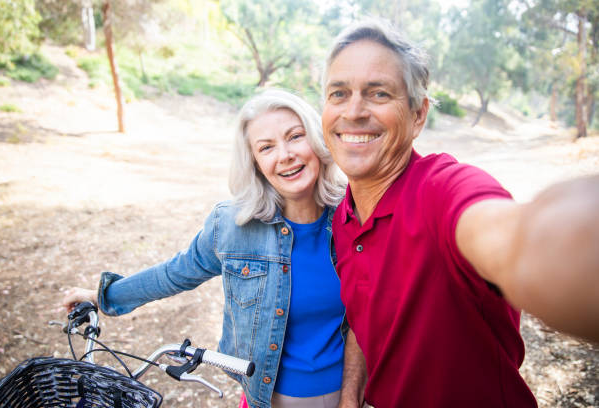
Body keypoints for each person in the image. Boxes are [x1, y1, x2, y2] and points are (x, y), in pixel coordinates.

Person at [320, 19, 599, 408]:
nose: (353, 111)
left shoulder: (442, 192)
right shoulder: (343, 217)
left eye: (378, 93)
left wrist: (560, 248)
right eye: (338, 93)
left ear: (418, 115)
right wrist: (350, 399)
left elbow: (513, 238)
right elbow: (365, 315)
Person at [62, 88, 351, 408]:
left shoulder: (354, 217)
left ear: (317, 139)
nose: (284, 155)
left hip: (345, 394)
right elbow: (174, 274)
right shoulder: (232, 227)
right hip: (264, 397)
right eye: (266, 147)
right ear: (254, 162)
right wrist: (103, 296)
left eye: (295, 137)